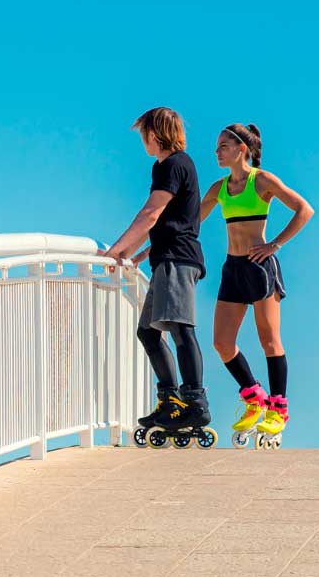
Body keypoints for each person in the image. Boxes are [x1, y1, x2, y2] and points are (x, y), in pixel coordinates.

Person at [100, 107, 213, 447]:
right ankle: (170, 400)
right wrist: (141, 254)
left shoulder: (176, 163)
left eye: (143, 134)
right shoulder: (162, 166)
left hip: (178, 260)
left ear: (155, 133)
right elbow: (172, 221)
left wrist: (116, 250)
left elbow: (151, 214)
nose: (142, 141)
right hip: (166, 257)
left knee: (180, 329)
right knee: (148, 332)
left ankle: (195, 402)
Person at [199, 124, 315, 448]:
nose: (217, 152)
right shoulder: (219, 188)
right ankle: (254, 397)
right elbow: (191, 221)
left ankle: (278, 408)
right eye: (217, 146)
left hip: (260, 268)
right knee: (222, 342)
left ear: (241, 149)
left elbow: (305, 209)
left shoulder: (260, 180)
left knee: (269, 339)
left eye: (223, 146)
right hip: (232, 269)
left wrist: (275, 244)